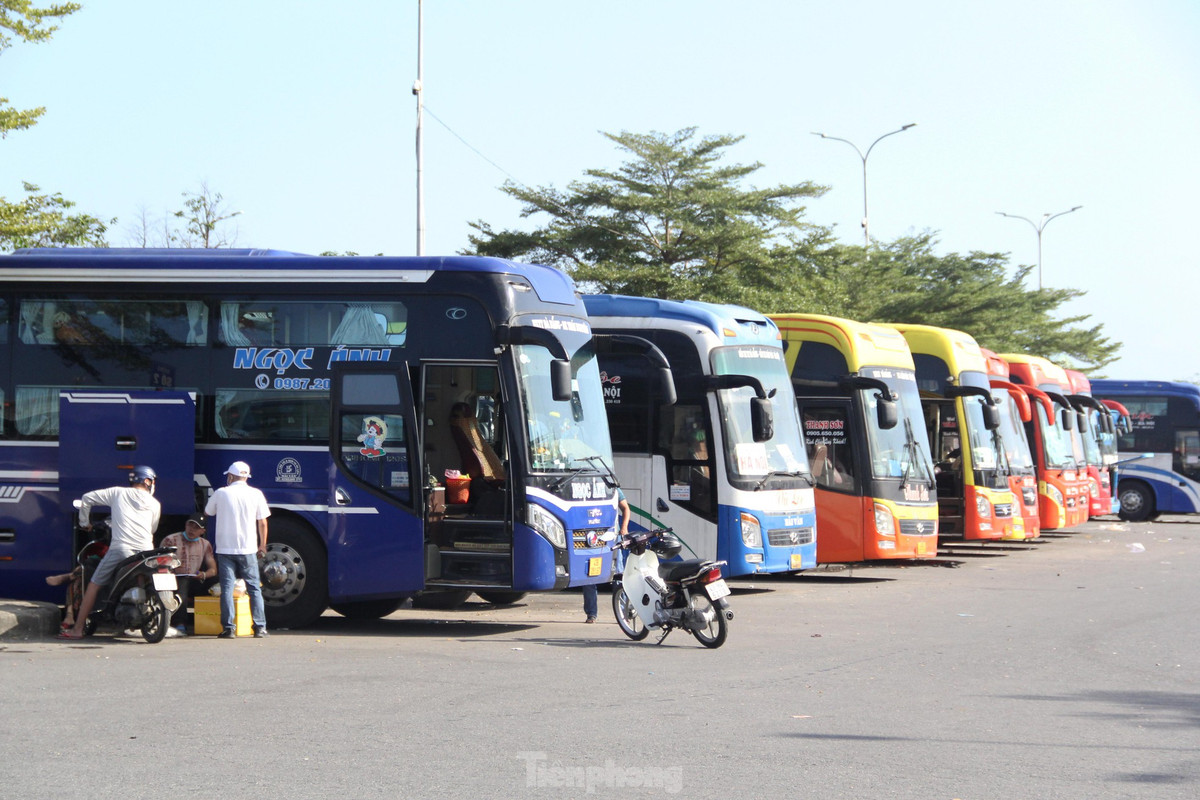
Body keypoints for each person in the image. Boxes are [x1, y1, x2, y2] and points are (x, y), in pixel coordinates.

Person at [57, 465, 161, 640]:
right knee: (141, 576)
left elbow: (87, 498)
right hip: (146, 550)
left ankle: (78, 629)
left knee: (94, 584)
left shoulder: (118, 493)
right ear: (148, 481)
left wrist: (84, 523)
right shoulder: (155, 503)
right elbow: (153, 528)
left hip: (121, 548)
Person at [204, 461, 270, 639]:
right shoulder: (256, 494)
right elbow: (262, 522)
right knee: (254, 588)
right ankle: (260, 628)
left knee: (227, 588)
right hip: (248, 548)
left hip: (225, 549)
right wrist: (262, 545)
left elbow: (208, 512)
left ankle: (229, 628)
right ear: (247, 477)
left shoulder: (221, 493)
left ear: (231, 476)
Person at [158, 513, 218, 635]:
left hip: (195, 579)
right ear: (186, 525)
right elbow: (160, 563)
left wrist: (203, 575)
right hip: (174, 579)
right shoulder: (171, 540)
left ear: (202, 531)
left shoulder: (205, 544)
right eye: (190, 525)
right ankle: (180, 623)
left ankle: (216, 620)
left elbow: (213, 570)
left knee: (219, 583)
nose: (192, 530)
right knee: (183, 583)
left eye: (196, 528)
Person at [583, 487, 631, 623]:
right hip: (592, 540)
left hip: (612, 539)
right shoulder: (583, 488)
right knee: (590, 577)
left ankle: (624, 612)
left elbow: (626, 509)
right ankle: (591, 614)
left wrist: (624, 527)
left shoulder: (613, 489)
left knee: (618, 577)